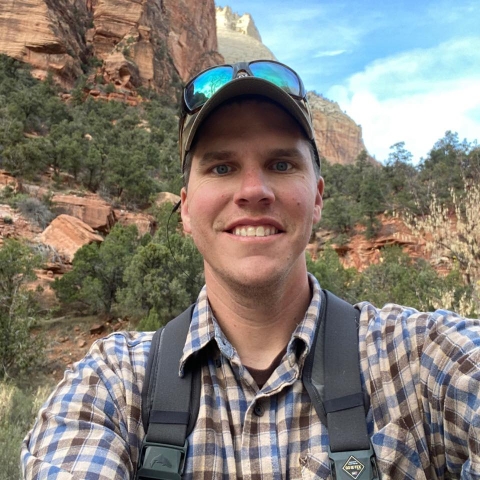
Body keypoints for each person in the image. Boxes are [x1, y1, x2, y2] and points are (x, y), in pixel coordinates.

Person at [21, 60, 480, 479]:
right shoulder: (112, 384)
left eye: (281, 164)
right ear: (184, 209)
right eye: (221, 168)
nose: (253, 191)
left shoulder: (419, 360)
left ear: (317, 197)